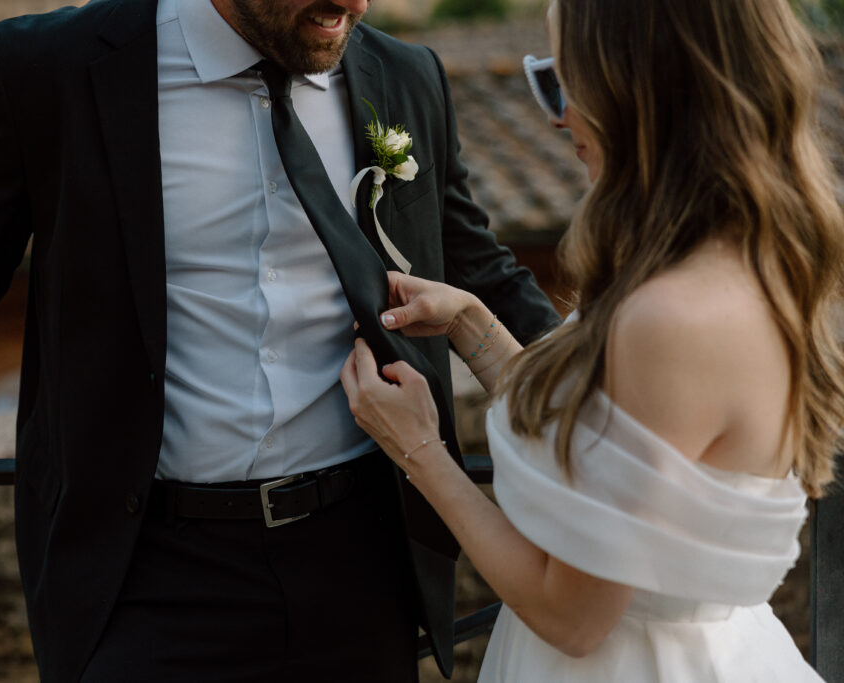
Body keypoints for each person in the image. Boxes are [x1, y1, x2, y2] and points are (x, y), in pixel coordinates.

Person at [0, 0, 560, 680]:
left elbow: (478, 268)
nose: (354, 4)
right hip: (148, 572)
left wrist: (605, 402)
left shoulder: (404, 75)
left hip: (363, 558)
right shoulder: (52, 70)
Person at [341, 0, 844, 680]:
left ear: (638, 90)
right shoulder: (736, 256)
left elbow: (571, 615)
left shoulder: (670, 318)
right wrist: (472, 325)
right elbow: (600, 444)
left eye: (565, 81)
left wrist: (421, 451)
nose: (555, 115)